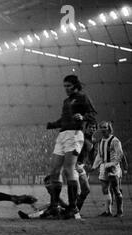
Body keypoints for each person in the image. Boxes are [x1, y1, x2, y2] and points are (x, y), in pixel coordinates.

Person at [45, 75, 97, 220]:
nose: (66, 89)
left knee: (69, 169)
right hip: (62, 135)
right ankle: (54, 206)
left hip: (75, 135)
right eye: (64, 86)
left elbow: (92, 114)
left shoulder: (82, 97)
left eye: (68, 86)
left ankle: (73, 207)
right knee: (54, 170)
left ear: (75, 85)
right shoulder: (66, 101)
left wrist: (83, 117)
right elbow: (64, 119)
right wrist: (53, 124)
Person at [92, 121, 124, 217]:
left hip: (113, 169)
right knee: (105, 189)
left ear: (109, 128)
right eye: (101, 127)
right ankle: (108, 211)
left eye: (105, 127)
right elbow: (99, 155)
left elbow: (120, 154)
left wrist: (112, 164)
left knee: (116, 190)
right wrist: (94, 166)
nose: (103, 129)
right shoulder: (101, 141)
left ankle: (120, 212)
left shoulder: (115, 141)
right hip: (103, 168)